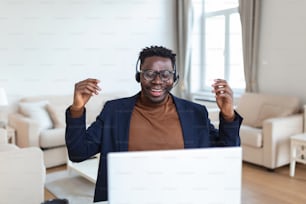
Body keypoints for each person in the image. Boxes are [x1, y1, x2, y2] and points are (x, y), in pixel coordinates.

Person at [65, 45, 243, 202]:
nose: (158, 81)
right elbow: (78, 152)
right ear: (138, 76)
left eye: (166, 74)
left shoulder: (195, 113)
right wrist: (77, 109)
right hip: (126, 196)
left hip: (182, 196)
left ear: (175, 77)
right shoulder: (114, 111)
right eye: (149, 74)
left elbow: (226, 156)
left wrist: (228, 116)